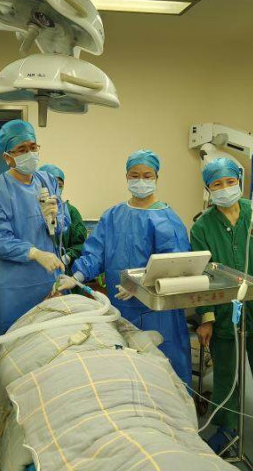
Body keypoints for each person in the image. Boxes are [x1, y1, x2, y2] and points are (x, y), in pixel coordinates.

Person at [58, 149, 192, 384]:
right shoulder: (112, 216)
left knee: (162, 374)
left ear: (156, 177)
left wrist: (140, 285)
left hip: (158, 312)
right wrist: (76, 276)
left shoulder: (166, 218)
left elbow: (174, 266)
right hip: (120, 308)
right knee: (126, 373)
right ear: (127, 177)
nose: (141, 181)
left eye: (147, 176)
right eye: (135, 175)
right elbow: (96, 252)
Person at [190, 158, 253, 454]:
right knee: (226, 376)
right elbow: (201, 274)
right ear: (208, 189)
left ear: (240, 182)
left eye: (230, 182)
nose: (225, 188)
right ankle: (226, 427)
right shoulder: (202, 227)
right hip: (223, 315)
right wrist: (206, 317)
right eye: (217, 184)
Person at [0, 120, 68, 380]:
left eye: (33, 147)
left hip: (45, 282)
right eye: (21, 149)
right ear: (7, 157)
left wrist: (55, 219)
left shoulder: (47, 180)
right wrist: (35, 253)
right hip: (8, 289)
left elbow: (64, 222)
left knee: (45, 350)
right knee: (10, 352)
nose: (29, 153)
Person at [39, 163, 88, 269]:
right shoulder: (32, 212)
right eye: (52, 184)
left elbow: (80, 244)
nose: (56, 188)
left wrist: (67, 257)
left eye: (60, 186)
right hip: (36, 269)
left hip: (63, 270)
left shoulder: (71, 212)